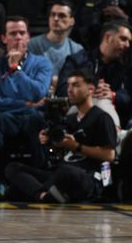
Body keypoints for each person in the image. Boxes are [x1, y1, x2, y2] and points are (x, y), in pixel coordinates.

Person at [6, 69, 116, 203]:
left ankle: (41, 192)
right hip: (60, 172)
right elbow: (60, 148)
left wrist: (76, 146)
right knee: (13, 168)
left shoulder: (101, 118)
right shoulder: (70, 118)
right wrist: (49, 141)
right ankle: (44, 196)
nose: (69, 90)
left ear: (90, 89)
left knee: (65, 172)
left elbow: (109, 155)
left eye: (75, 85)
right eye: (69, 85)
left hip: (86, 177)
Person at [0, 17, 52, 196]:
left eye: (22, 33)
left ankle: (38, 180)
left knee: (37, 119)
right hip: (8, 118)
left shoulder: (42, 64)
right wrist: (25, 103)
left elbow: (38, 93)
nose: (18, 38)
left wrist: (15, 70)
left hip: (32, 117)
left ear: (28, 37)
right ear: (4, 38)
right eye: (13, 34)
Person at [28, 0, 83, 82]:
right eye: (52, 15)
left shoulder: (77, 49)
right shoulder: (32, 44)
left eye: (62, 15)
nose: (56, 19)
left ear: (72, 21)